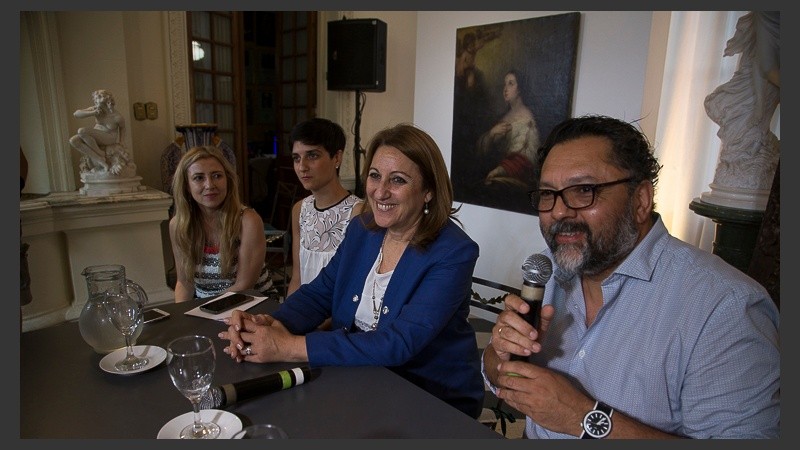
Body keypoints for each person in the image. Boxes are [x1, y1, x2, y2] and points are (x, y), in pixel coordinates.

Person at [482, 115, 780, 439]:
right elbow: (496, 375)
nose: (558, 211)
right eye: (547, 194)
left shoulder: (725, 308)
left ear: (640, 200)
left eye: (584, 190)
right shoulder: (553, 276)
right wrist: (500, 354)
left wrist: (584, 417)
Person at [219, 123, 486, 418]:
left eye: (397, 180)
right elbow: (320, 293)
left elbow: (398, 344)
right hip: (357, 377)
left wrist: (288, 346)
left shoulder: (454, 252)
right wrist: (273, 325)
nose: (380, 192)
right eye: (374, 176)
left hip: (429, 397)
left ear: (428, 191)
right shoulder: (363, 229)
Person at [169, 145, 274, 302]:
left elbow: (244, 286)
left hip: (252, 305)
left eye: (217, 176)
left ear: (228, 180)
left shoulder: (248, 220)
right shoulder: (178, 225)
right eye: (199, 178)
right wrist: (181, 319)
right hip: (205, 309)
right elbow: (184, 283)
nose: (210, 185)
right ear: (186, 186)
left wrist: (203, 313)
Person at [286, 118, 364, 298]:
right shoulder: (300, 209)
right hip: (302, 313)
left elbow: (354, 288)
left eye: (312, 155)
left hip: (336, 319)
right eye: (296, 158)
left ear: (337, 157)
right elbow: (297, 278)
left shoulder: (357, 213)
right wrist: (285, 318)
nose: (302, 167)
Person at [476, 70, 540, 188]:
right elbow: (480, 150)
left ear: (520, 88)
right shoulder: (505, 115)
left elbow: (525, 160)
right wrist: (491, 133)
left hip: (510, 179)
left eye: (511, 84)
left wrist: (498, 171)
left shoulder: (526, 119)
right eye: (505, 84)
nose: (505, 89)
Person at [69, 89, 129, 175]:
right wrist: (92, 113)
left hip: (109, 137)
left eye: (100, 97)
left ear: (107, 99)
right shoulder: (95, 109)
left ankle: (100, 153)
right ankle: (99, 159)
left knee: (82, 131)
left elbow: (123, 128)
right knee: (73, 141)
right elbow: (76, 114)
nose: (96, 100)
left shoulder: (117, 116)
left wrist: (121, 141)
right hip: (97, 134)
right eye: (96, 98)